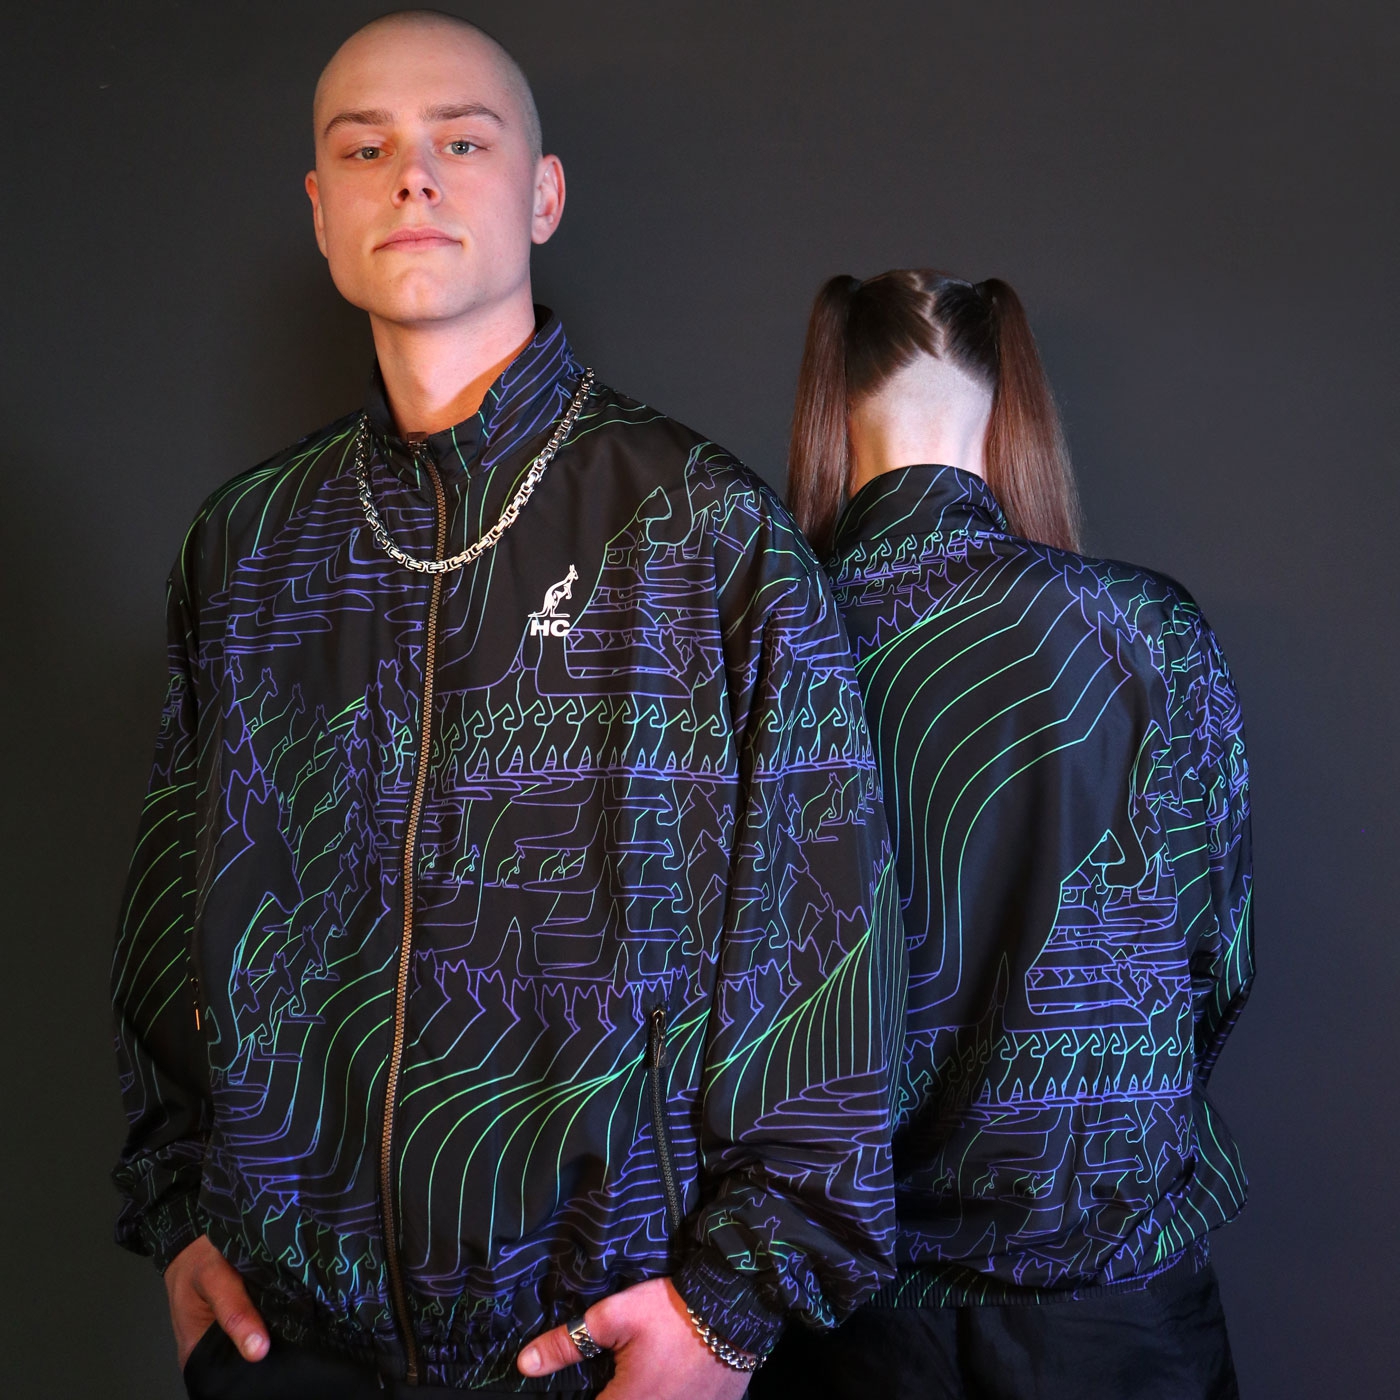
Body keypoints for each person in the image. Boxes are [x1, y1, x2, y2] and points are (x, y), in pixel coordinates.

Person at [110, 15, 906, 1398]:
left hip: (590, 1351)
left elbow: (825, 930)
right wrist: (180, 1207)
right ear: (320, 209)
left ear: (542, 194)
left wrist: (729, 1310)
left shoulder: (696, 529)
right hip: (286, 1345)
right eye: (365, 148)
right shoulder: (248, 543)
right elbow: (178, 899)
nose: (412, 175)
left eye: (460, 142)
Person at [751, 270, 1253, 1399]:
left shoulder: (764, 650)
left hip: (848, 1319)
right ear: (1011, 402)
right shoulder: (1145, 631)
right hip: (1111, 1306)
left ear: (830, 402)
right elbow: (1216, 959)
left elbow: (716, 1004)